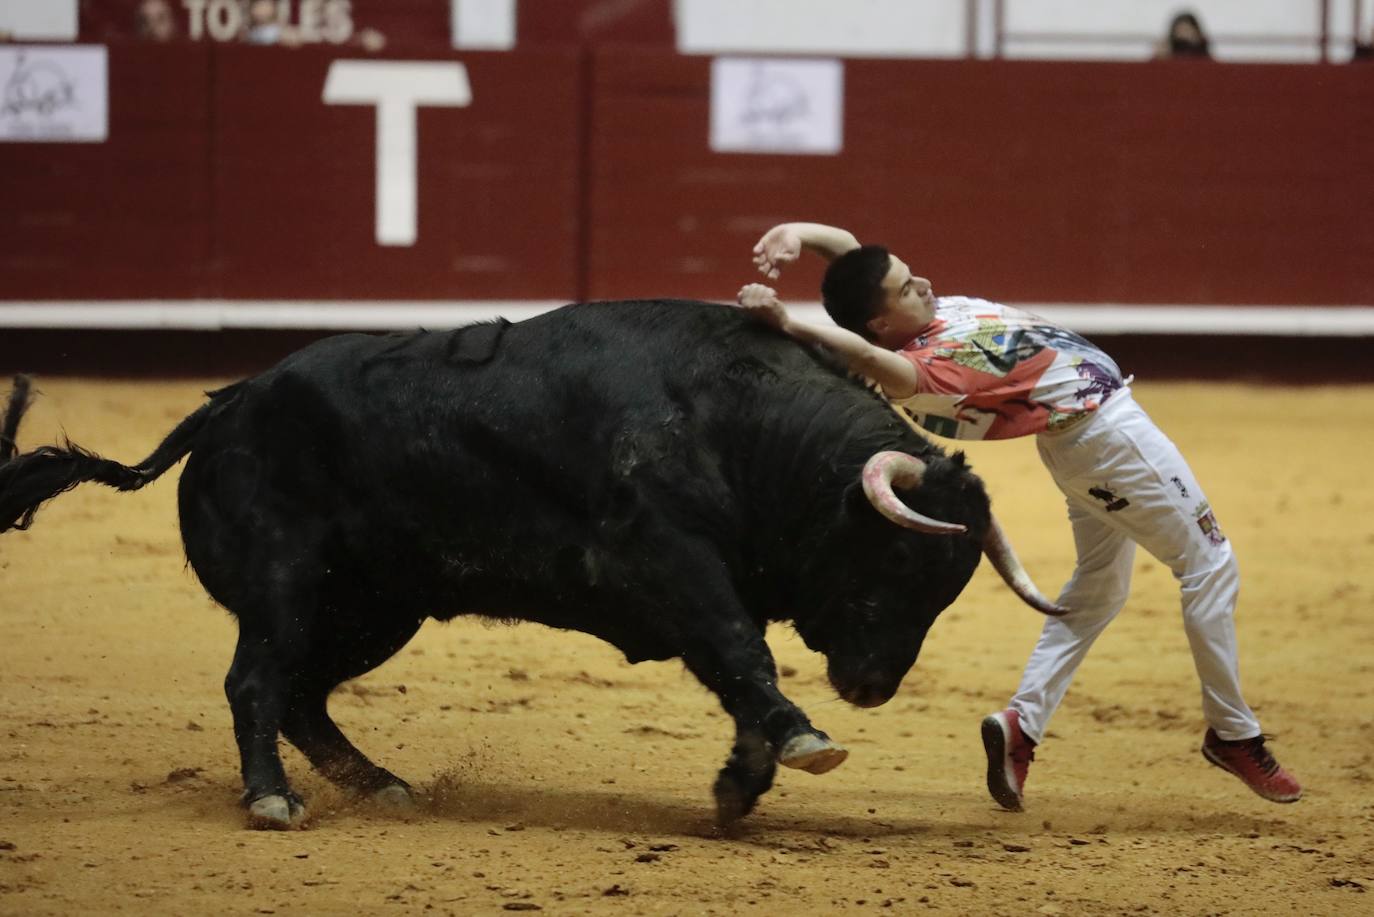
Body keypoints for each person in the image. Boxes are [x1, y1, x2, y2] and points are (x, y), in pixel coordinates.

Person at [736, 221, 1302, 811]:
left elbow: (855, 255)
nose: (923, 284)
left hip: (1085, 446)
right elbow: (875, 356)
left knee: (1098, 590)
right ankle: (1233, 734)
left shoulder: (909, 318)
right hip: (1112, 442)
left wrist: (793, 231)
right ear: (881, 324)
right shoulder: (922, 372)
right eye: (906, 289)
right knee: (1209, 564)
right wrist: (792, 325)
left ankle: (1021, 725)